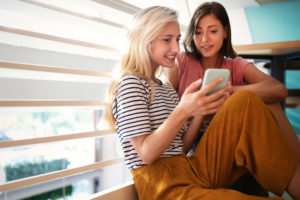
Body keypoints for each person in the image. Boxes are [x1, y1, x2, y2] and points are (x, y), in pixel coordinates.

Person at [104, 5, 300, 200]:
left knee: (244, 100)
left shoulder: (164, 87)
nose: (176, 48)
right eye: (167, 40)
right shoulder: (130, 82)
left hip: (190, 169)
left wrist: (198, 110)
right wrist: (183, 111)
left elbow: (180, 148)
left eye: (177, 40)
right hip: (162, 186)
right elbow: (146, 154)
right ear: (144, 40)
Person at [167, 1, 300, 162]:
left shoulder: (235, 64)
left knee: (270, 101)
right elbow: (167, 109)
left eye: (213, 31)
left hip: (232, 134)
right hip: (195, 138)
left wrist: (231, 91)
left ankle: (295, 162)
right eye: (198, 32)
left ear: (225, 32)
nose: (204, 39)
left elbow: (279, 90)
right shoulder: (181, 61)